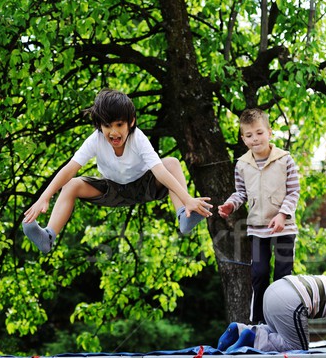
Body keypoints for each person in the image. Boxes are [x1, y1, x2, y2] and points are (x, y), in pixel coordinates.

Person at [22, 89, 212, 253]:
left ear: (131, 122)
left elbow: (160, 172)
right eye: (107, 126)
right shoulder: (96, 139)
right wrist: (44, 197)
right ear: (99, 126)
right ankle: (48, 236)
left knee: (170, 163)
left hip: (145, 185)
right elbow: (69, 169)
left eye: (119, 125)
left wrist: (187, 199)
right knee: (71, 184)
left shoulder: (138, 139)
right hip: (112, 190)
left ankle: (184, 214)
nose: (113, 132)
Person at [218, 108, 300, 323]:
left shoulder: (285, 160)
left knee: (283, 276)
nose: (255, 139)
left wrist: (282, 215)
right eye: (249, 135)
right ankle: (260, 321)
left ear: (270, 132)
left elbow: (294, 192)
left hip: (284, 227)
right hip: (257, 228)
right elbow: (241, 193)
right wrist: (230, 205)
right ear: (243, 138)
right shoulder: (242, 164)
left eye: (259, 133)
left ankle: (283, 317)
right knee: (259, 274)